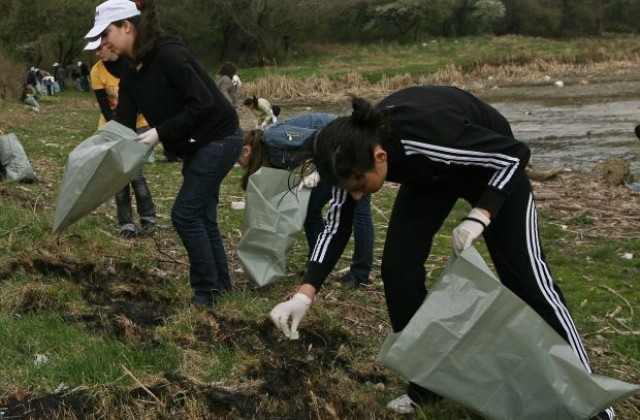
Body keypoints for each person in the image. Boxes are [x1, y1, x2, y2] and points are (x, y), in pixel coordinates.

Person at [268, 85, 614, 420]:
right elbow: (337, 224)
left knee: (527, 280)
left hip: (493, 172)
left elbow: (514, 155)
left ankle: (593, 400)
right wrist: (305, 293)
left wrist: (481, 214)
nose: (357, 196)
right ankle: (426, 386)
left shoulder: (426, 134)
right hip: (432, 175)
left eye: (360, 186)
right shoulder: (346, 151)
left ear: (380, 157)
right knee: (398, 270)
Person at [85, 0, 242, 307]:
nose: (102, 43)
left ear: (127, 27)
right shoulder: (132, 73)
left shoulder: (169, 55)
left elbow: (203, 103)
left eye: (106, 34)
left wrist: (157, 134)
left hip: (221, 137)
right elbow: (124, 125)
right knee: (203, 217)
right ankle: (221, 288)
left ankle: (205, 292)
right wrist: (96, 154)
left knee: (185, 214)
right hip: (196, 145)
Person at [238, 113, 374, 288]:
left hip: (349, 144)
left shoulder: (273, 137)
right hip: (332, 160)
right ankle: (318, 264)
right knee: (311, 208)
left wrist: (318, 170)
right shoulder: (266, 158)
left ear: (246, 150)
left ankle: (360, 273)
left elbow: (321, 138)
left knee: (359, 210)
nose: (238, 164)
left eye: (237, 159)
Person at [88, 38, 157, 238]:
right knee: (119, 176)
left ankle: (147, 218)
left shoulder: (132, 65)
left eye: (99, 48)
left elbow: (144, 98)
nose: (97, 54)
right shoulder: (96, 71)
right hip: (113, 127)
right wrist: (117, 130)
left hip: (140, 124)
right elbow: (105, 107)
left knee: (135, 173)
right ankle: (126, 223)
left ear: (109, 45)